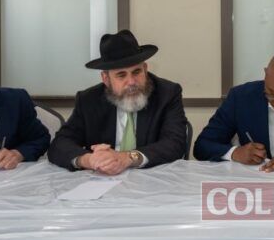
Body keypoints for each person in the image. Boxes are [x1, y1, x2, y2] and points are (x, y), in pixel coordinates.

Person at [48, 30, 188, 174]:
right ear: (106, 79)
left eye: (136, 72)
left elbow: (175, 143)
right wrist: (88, 160)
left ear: (145, 69)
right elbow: (60, 143)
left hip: (152, 178)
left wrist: (128, 157)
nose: (131, 82)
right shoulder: (88, 100)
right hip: (101, 179)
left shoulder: (167, 93)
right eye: (121, 75)